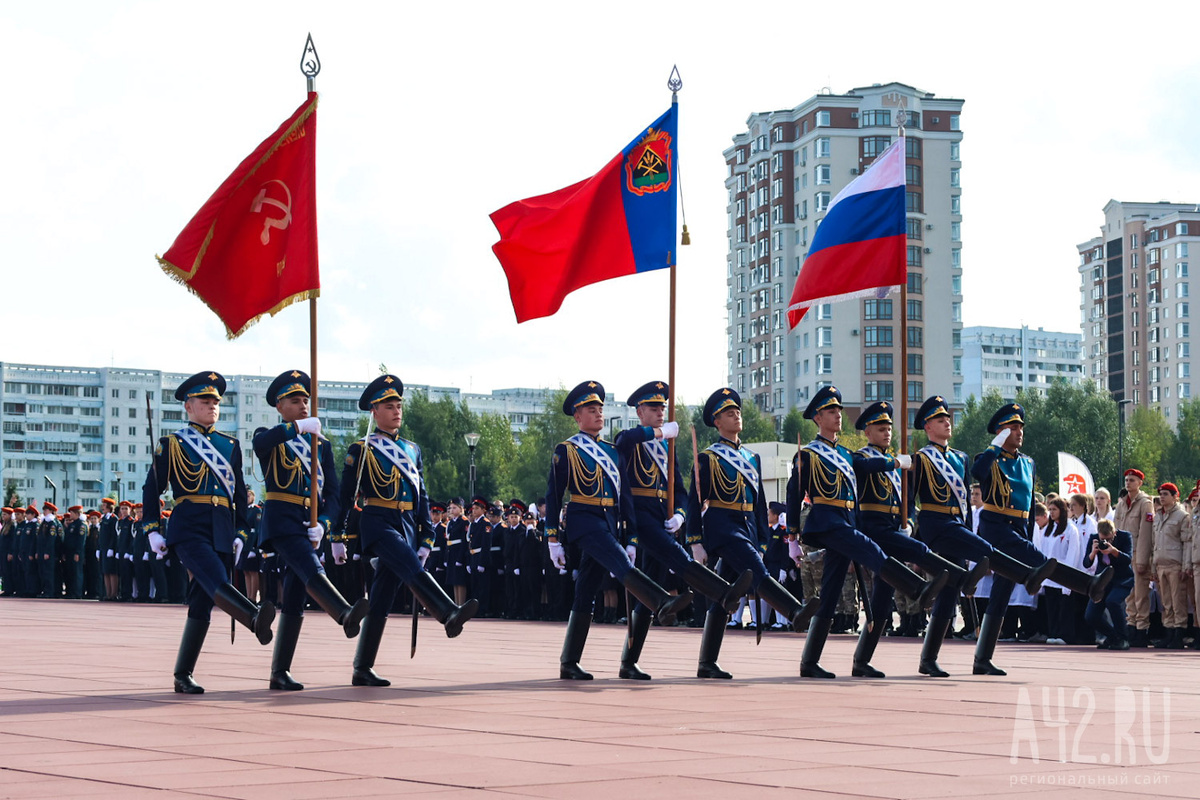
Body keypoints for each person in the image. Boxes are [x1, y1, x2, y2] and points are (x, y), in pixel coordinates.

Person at [787, 387, 947, 679]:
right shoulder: (809, 454)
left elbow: (867, 465)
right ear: (818, 417)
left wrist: (892, 464)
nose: (838, 416)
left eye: (838, 411)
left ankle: (810, 661)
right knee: (876, 553)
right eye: (832, 412)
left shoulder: (847, 455)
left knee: (831, 592)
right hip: (826, 522)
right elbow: (793, 493)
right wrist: (792, 535)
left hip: (846, 522)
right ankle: (916, 588)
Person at [335, 374, 478, 687]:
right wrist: (336, 536)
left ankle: (362, 667)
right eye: (389, 406)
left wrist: (427, 535)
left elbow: (421, 495)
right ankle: (447, 613)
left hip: (406, 525)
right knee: (409, 565)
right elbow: (344, 497)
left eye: (399, 405)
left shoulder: (412, 450)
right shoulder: (362, 450)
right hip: (377, 522)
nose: (397, 411)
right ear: (374, 411)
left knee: (382, 598)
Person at [547, 381, 693, 680]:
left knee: (587, 589)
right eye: (591, 409)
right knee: (620, 564)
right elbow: (553, 495)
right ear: (577, 416)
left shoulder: (611, 452)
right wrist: (552, 539)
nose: (599, 414)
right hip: (583, 520)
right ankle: (661, 600)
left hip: (609, 522)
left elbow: (624, 498)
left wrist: (631, 538)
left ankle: (569, 661)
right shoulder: (568, 449)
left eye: (600, 408)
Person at [142, 371, 276, 694]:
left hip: (221, 527)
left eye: (216, 401)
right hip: (188, 526)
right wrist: (152, 530)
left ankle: (182, 674)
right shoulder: (171, 444)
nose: (212, 406)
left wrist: (242, 532)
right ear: (188, 406)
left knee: (201, 602)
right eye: (205, 401)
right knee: (217, 579)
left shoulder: (229, 446)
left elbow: (240, 496)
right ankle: (254, 616)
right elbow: (152, 489)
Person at [908, 396, 1058, 677]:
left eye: (1020, 427)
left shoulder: (972, 458)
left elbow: (969, 501)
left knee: (987, 594)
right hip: (964, 529)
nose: (947, 422)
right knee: (956, 587)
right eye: (941, 419)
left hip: (985, 528)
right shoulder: (965, 458)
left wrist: (969, 527)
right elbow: (971, 477)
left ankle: (978, 658)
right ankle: (930, 657)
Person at [613, 380, 753, 680]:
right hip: (639, 515)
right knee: (675, 556)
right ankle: (722, 592)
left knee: (647, 596)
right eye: (654, 408)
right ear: (640, 412)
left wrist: (678, 515)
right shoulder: (632, 439)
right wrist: (659, 432)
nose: (660, 413)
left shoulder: (668, 447)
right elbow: (623, 442)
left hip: (663, 516)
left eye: (663, 408)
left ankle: (629, 661)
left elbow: (681, 490)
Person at [970, 402, 1112, 675]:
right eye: (1013, 427)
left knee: (1001, 595)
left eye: (1021, 426)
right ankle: (1089, 585)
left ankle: (982, 659)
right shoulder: (988, 458)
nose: (1019, 431)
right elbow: (977, 473)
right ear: (1000, 432)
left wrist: (1027, 533)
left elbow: (1027, 503)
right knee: (1042, 562)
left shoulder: (1027, 463)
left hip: (1018, 529)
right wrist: (995, 446)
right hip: (996, 529)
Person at [252, 370, 370, 690]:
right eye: (295, 400)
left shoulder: (321, 445)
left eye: (306, 400)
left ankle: (280, 672)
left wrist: (325, 524)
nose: (304, 405)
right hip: (282, 521)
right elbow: (261, 443)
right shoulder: (271, 435)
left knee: (294, 595)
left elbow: (332, 493)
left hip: (309, 524)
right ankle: (344, 613)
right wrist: (296, 429)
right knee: (310, 567)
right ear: (280, 406)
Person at [850, 401, 985, 678]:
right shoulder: (864, 457)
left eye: (889, 428)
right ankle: (957, 579)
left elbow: (907, 502)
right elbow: (863, 468)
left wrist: (909, 522)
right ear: (867, 432)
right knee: (927, 560)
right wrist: (897, 462)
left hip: (897, 530)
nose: (887, 432)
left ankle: (865, 660)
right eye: (880, 428)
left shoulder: (905, 462)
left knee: (881, 600)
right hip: (876, 530)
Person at [690, 387, 813, 680]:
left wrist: (761, 538)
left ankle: (707, 662)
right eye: (729, 413)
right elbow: (693, 500)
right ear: (717, 422)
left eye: (738, 411)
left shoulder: (751, 457)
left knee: (727, 594)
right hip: (722, 525)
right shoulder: (709, 458)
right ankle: (794, 611)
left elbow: (759, 502)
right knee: (757, 571)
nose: (737, 416)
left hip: (746, 526)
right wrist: (695, 540)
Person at [1113, 469, 1155, 646]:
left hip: (1138, 553)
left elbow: (1146, 534)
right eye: (1127, 480)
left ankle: (1141, 629)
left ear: (1140, 483)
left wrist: (1143, 560)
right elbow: (1116, 530)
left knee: (1141, 594)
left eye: (1132, 480)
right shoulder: (1122, 504)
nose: (1128, 483)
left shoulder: (1145, 503)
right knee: (1129, 594)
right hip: (1125, 555)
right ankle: (1131, 625)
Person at [1151, 482, 1190, 649]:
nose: (1162, 496)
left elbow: (1187, 543)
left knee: (1177, 601)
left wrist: (1185, 566)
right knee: (1165, 602)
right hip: (1161, 564)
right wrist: (1153, 566)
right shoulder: (1158, 515)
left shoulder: (1182, 516)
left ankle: (1179, 634)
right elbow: (1154, 543)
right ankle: (1168, 633)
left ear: (1176, 497)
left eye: (1166, 494)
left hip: (1175, 564)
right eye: (1161, 493)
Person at [1037, 497, 1080, 645]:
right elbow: (1043, 551)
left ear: (1062, 510)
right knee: (1052, 608)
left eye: (1054, 509)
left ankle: (1065, 634)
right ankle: (1053, 632)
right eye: (1050, 510)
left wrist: (1068, 579)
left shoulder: (1070, 529)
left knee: (1064, 608)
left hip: (1063, 575)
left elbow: (1072, 554)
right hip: (1049, 576)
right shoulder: (1048, 529)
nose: (1051, 512)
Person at [1084, 519, 1133, 649]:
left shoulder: (1125, 536)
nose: (1105, 542)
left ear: (1114, 533)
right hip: (1103, 580)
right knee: (1091, 615)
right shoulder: (1093, 538)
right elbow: (1086, 563)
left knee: (1113, 601)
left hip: (1122, 579)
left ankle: (1123, 638)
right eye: (1103, 539)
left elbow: (1128, 559)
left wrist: (1113, 551)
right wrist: (1093, 553)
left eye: (1109, 539)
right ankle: (1113, 636)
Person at [61, 505, 86, 600]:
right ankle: (70, 591)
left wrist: (77, 553)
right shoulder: (72, 525)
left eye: (72, 513)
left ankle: (77, 592)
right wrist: (64, 552)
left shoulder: (81, 525)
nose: (70, 515)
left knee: (77, 573)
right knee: (70, 573)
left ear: (77, 513)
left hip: (76, 553)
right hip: (68, 553)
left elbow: (81, 541)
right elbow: (66, 540)